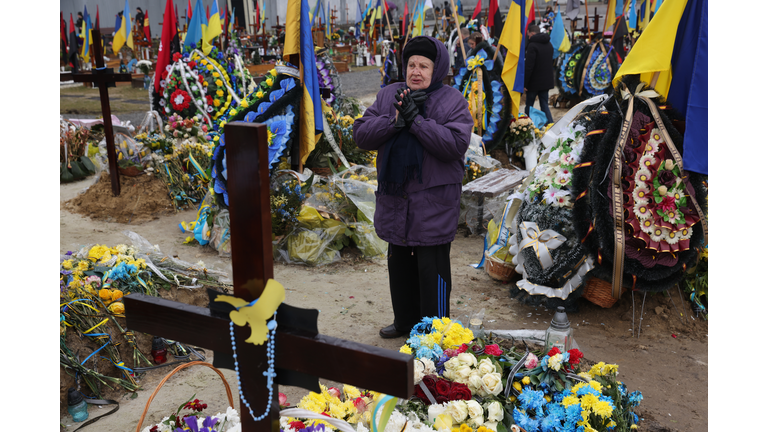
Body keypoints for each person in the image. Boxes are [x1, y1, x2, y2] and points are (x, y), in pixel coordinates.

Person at [353, 36, 473, 339]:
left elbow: (454, 145)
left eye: (423, 66)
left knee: (430, 270)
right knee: (400, 268)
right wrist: (393, 122)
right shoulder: (389, 95)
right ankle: (405, 322)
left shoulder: (452, 101)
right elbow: (362, 134)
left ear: (437, 69)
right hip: (396, 200)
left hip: (433, 202)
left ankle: (435, 331)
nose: (415, 71)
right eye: (411, 65)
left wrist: (417, 122)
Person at [524, 25, 555, 124]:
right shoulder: (549, 44)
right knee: (544, 105)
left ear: (532, 33)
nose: (528, 38)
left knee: (529, 105)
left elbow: (529, 66)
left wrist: (525, 83)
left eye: (528, 35)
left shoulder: (532, 45)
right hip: (545, 81)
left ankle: (528, 126)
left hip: (533, 82)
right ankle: (550, 125)